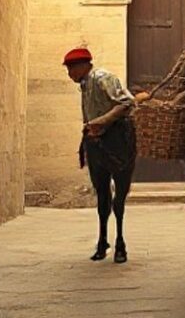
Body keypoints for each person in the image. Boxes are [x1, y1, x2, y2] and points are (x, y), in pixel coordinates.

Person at [63, 47, 136, 263]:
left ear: (84, 66)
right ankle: (103, 240)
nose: (70, 75)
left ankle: (120, 241)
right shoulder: (84, 86)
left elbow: (127, 102)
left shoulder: (103, 78)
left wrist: (103, 121)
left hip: (116, 141)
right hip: (95, 144)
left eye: (72, 69)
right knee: (102, 194)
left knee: (119, 197)